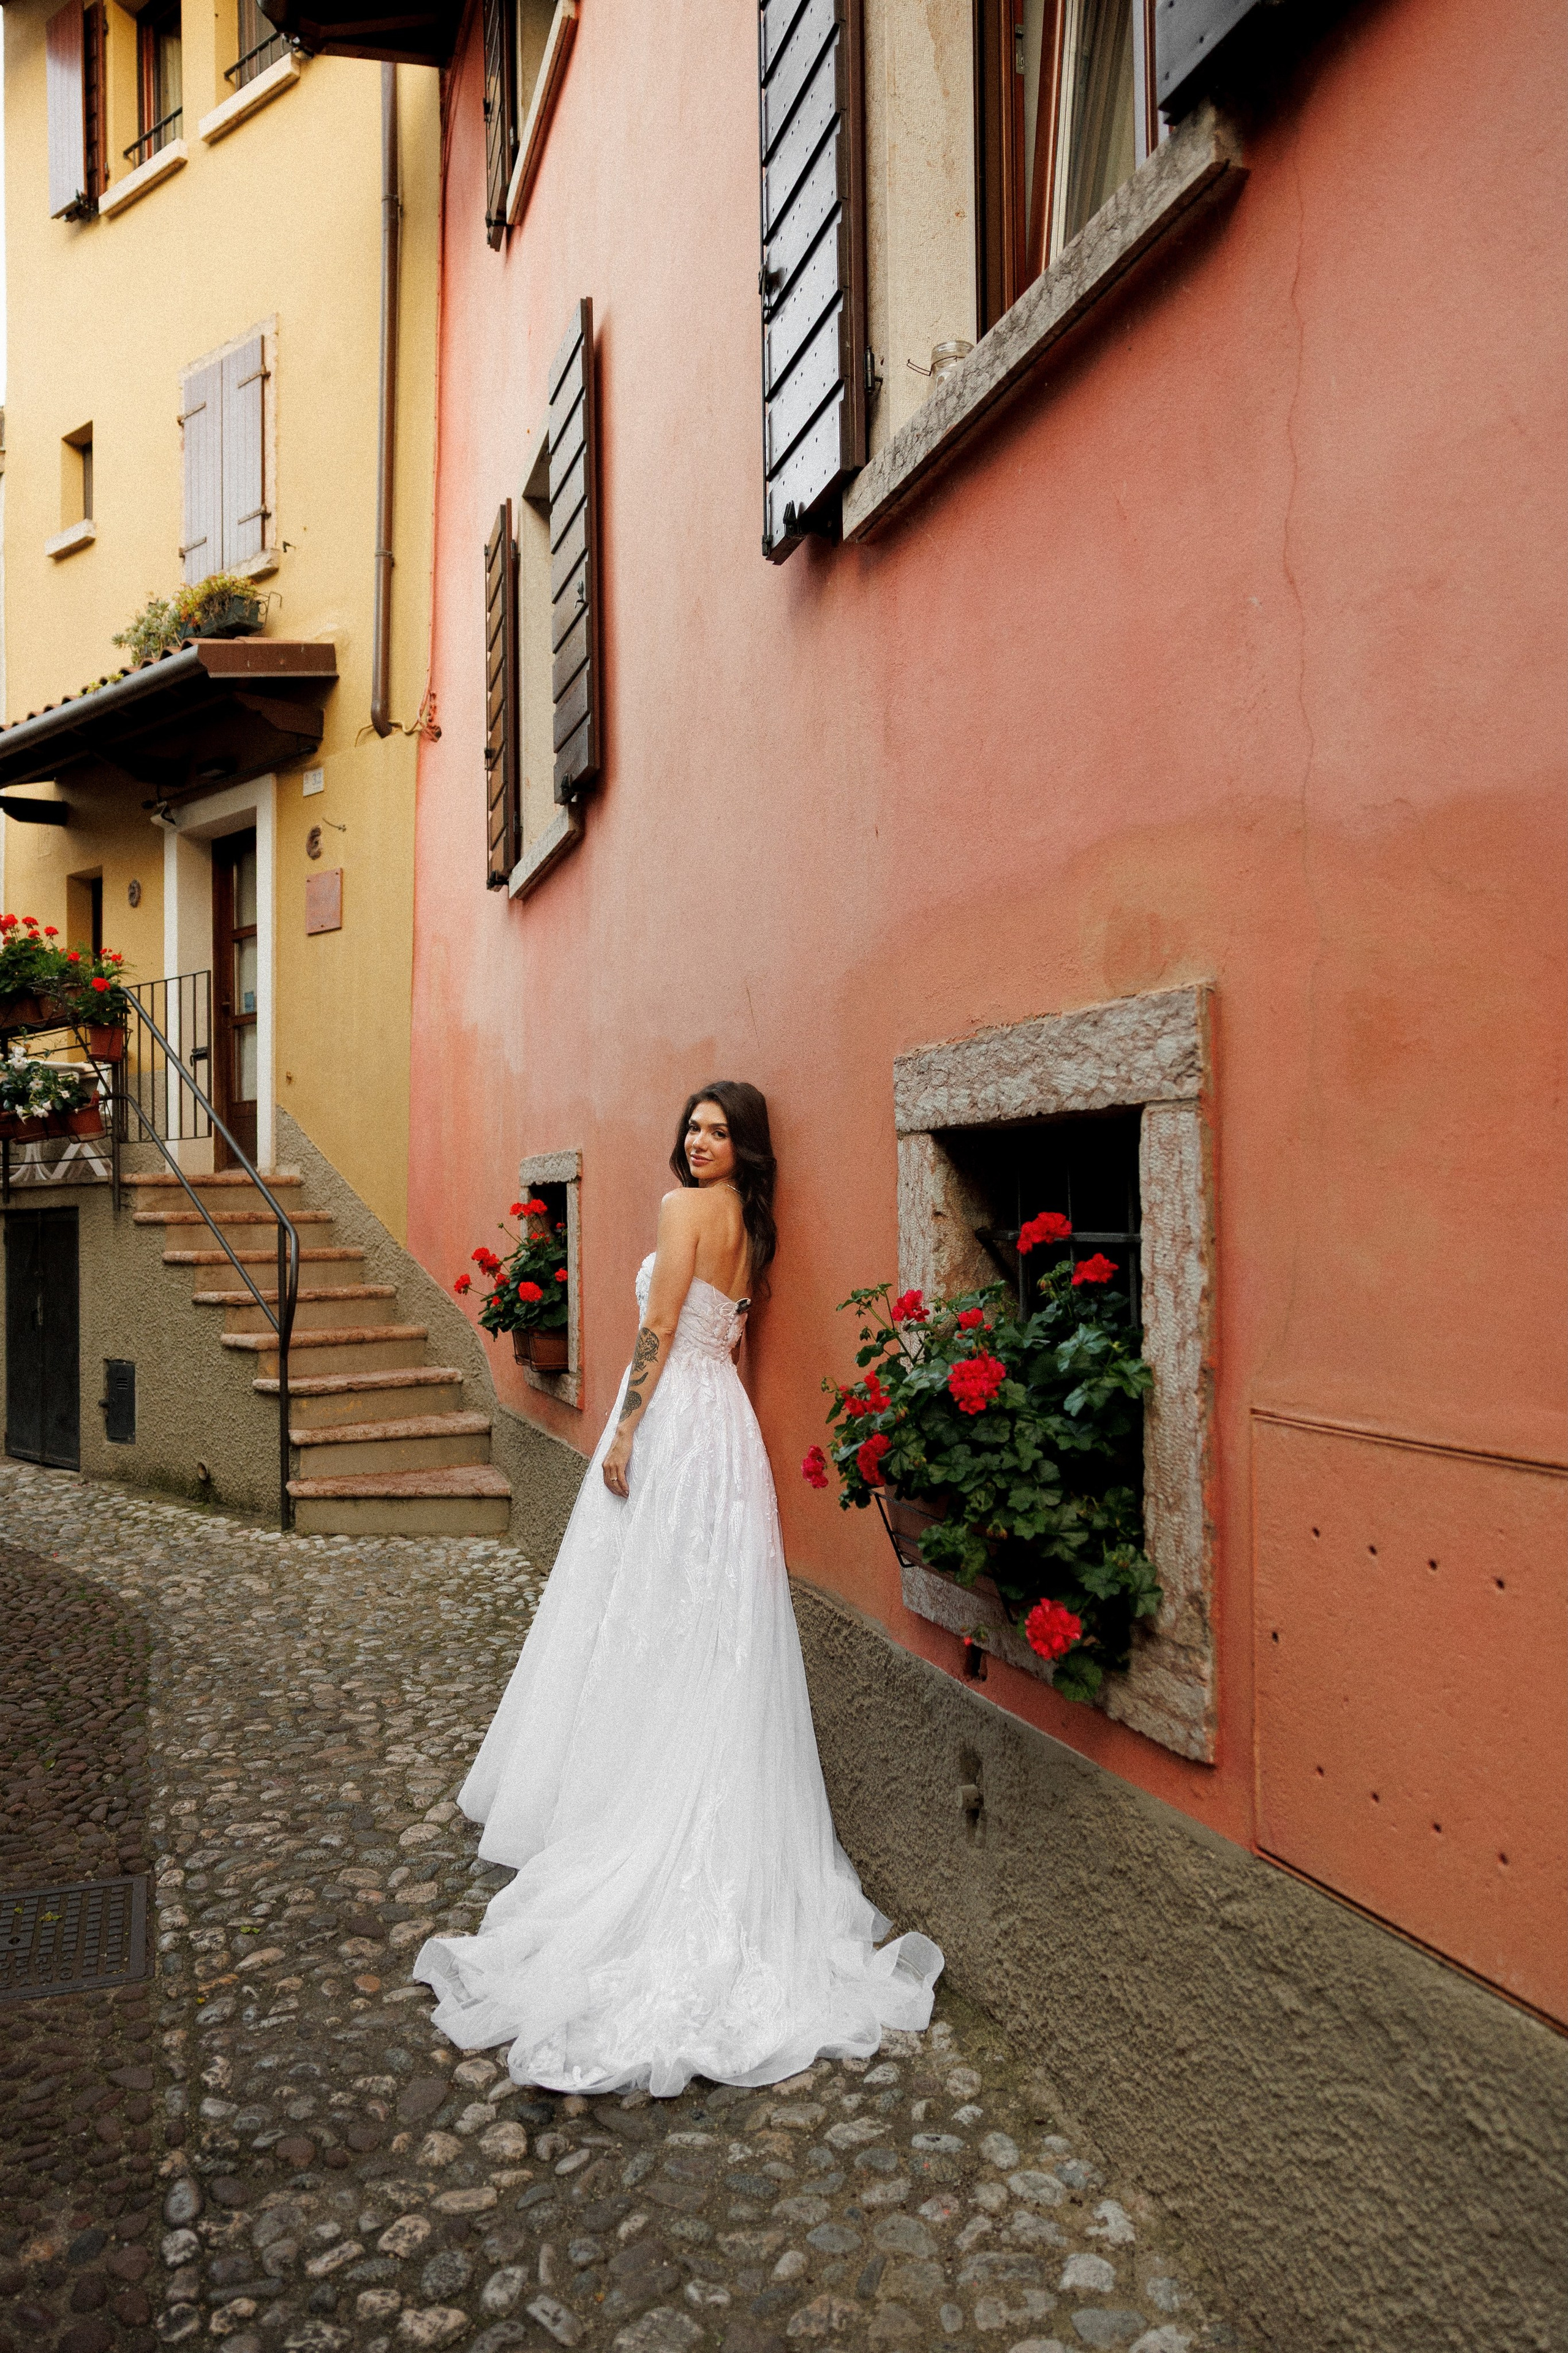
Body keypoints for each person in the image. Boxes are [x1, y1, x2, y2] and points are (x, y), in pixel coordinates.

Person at [413, 1081, 942, 2095]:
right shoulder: (750, 1222)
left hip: (674, 1421)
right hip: (728, 1428)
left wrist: (621, 1427)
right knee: (712, 1626)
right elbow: (726, 1333)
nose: (699, 1142)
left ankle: (632, 1795)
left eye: (718, 1130)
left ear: (744, 1147)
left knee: (647, 1613)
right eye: (693, 1127)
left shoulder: (682, 1211)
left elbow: (658, 1327)